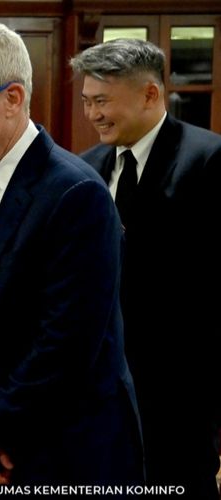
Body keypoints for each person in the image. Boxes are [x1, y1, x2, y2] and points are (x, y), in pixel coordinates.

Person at [0, 22, 143, 494]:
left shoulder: (75, 192)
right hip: (8, 445)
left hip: (75, 450)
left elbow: (68, 343)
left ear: (13, 97)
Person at [72, 38, 221, 499]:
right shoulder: (86, 168)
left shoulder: (208, 158)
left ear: (150, 95)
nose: (92, 114)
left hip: (181, 391)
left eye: (102, 102)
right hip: (101, 388)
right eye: (86, 102)